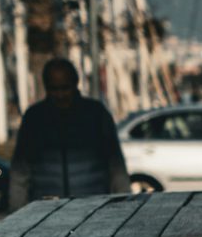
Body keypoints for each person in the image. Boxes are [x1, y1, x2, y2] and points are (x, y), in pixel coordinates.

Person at [7, 55, 130, 206]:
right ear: (46, 88)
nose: (60, 95)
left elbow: (116, 167)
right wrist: (17, 214)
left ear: (75, 84)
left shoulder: (96, 114)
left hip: (94, 207)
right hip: (45, 210)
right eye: (54, 89)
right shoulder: (34, 118)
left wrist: (123, 205)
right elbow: (20, 173)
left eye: (65, 88)